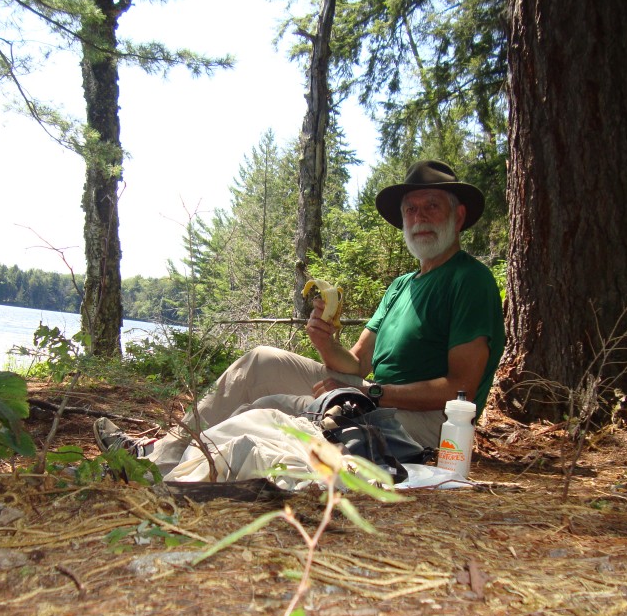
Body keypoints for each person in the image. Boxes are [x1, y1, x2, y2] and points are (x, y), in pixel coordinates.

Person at [94, 160, 505, 478]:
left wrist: (372, 394)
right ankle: (155, 457)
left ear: (460, 215)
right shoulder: (402, 285)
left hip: (424, 423)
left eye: (432, 206)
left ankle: (187, 471)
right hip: (373, 393)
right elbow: (358, 363)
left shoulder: (470, 281)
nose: (419, 217)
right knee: (261, 361)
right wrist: (326, 342)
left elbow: (461, 389)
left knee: (269, 406)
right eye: (410, 209)